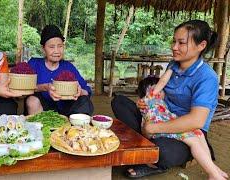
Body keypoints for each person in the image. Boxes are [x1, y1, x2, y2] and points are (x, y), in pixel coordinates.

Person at [111, 20, 226, 179]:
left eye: (181, 43)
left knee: (163, 150)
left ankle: (155, 160)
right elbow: (161, 91)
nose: (174, 47)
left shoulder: (207, 77)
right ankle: (149, 147)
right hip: (162, 115)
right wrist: (146, 101)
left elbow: (197, 121)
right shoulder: (173, 65)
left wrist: (153, 128)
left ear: (201, 45)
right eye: (174, 41)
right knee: (120, 102)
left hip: (186, 128)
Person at [138, 76, 228, 179]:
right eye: (154, 90)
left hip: (171, 125)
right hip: (160, 128)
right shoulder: (147, 101)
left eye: (161, 90)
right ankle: (214, 174)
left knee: (199, 133)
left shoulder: (163, 102)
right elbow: (147, 121)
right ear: (145, 94)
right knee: (194, 141)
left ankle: (214, 168)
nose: (159, 92)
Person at [25, 25, 94, 116]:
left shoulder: (68, 67)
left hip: (66, 110)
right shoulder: (34, 64)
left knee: (84, 100)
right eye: (52, 47)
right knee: (32, 100)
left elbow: (87, 90)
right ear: (43, 49)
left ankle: (75, 129)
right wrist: (45, 87)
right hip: (42, 109)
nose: (57, 51)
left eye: (60, 46)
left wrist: (79, 91)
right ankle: (38, 129)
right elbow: (24, 89)